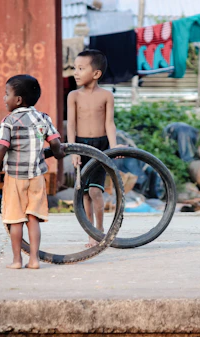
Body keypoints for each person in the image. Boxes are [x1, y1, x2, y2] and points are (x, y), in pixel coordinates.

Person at [0, 74, 64, 269]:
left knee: (16, 221)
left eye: (6, 94)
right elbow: (56, 143)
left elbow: (1, 147)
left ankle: (17, 260)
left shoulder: (9, 121)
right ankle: (34, 260)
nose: (3, 98)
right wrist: (57, 154)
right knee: (33, 219)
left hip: (15, 178)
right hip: (37, 176)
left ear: (18, 100)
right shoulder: (43, 118)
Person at [67, 49, 121, 248]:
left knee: (95, 192)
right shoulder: (73, 96)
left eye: (81, 68)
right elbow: (71, 124)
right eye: (75, 68)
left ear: (96, 74)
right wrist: (73, 150)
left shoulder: (106, 96)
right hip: (81, 146)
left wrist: (114, 147)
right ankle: (91, 234)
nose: (76, 72)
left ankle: (100, 230)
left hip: (101, 146)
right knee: (84, 193)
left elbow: (109, 123)